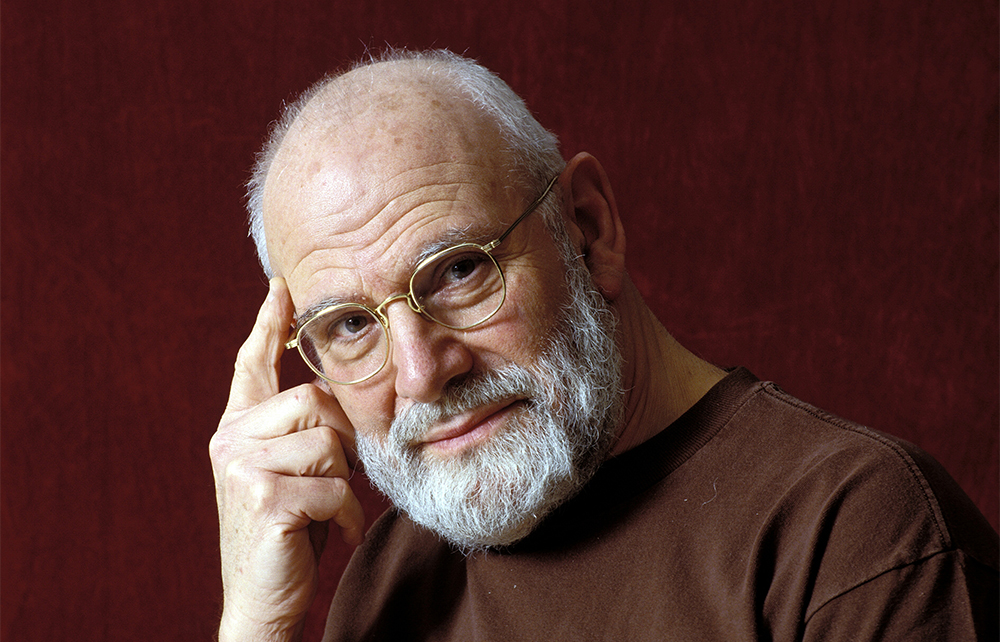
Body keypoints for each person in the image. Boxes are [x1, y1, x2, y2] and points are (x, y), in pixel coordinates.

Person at [210, 49, 999, 641]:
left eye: (459, 270)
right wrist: (256, 620)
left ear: (587, 228)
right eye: (351, 325)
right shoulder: (389, 579)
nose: (421, 373)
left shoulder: (855, 535)